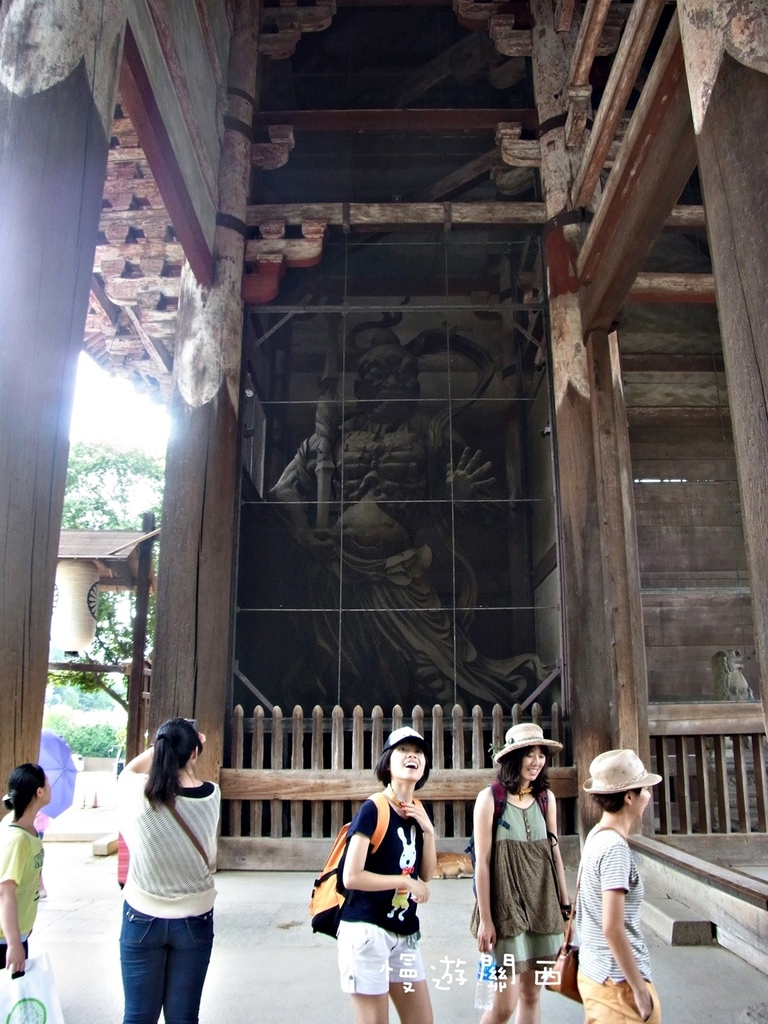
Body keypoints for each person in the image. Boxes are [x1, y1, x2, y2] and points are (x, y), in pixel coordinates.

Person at [118, 718, 220, 1024]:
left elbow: (130, 771)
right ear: (194, 753)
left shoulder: (139, 791)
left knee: (138, 1015)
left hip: (141, 915)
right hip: (194, 917)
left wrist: (160, 743)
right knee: (183, 1017)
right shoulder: (212, 795)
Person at [471, 722, 570, 1024]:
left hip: (543, 905)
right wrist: (486, 920)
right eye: (530, 753)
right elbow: (483, 862)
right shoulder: (490, 799)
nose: (537, 761)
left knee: (532, 994)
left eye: (541, 754)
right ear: (514, 758)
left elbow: (554, 854)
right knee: (503, 1006)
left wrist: (566, 910)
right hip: (506, 910)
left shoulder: (545, 799)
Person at [338, 726, 437, 1024]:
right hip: (367, 933)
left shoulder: (418, 809)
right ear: (387, 763)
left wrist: (429, 831)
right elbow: (351, 877)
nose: (412, 756)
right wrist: (404, 881)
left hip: (404, 934)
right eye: (403, 750)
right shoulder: (373, 808)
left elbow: (426, 874)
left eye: (419, 752)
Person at [576, 749, 663, 1024]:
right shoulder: (615, 849)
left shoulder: (597, 835)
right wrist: (638, 988)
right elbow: (612, 928)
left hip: (594, 971)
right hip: (618, 982)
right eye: (645, 790)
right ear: (629, 797)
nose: (648, 797)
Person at [0, 763, 50, 973]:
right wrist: (13, 944)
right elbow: (5, 892)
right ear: (39, 792)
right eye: (47, 783)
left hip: (17, 935)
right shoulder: (17, 839)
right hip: (5, 940)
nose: (50, 787)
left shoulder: (28, 829)